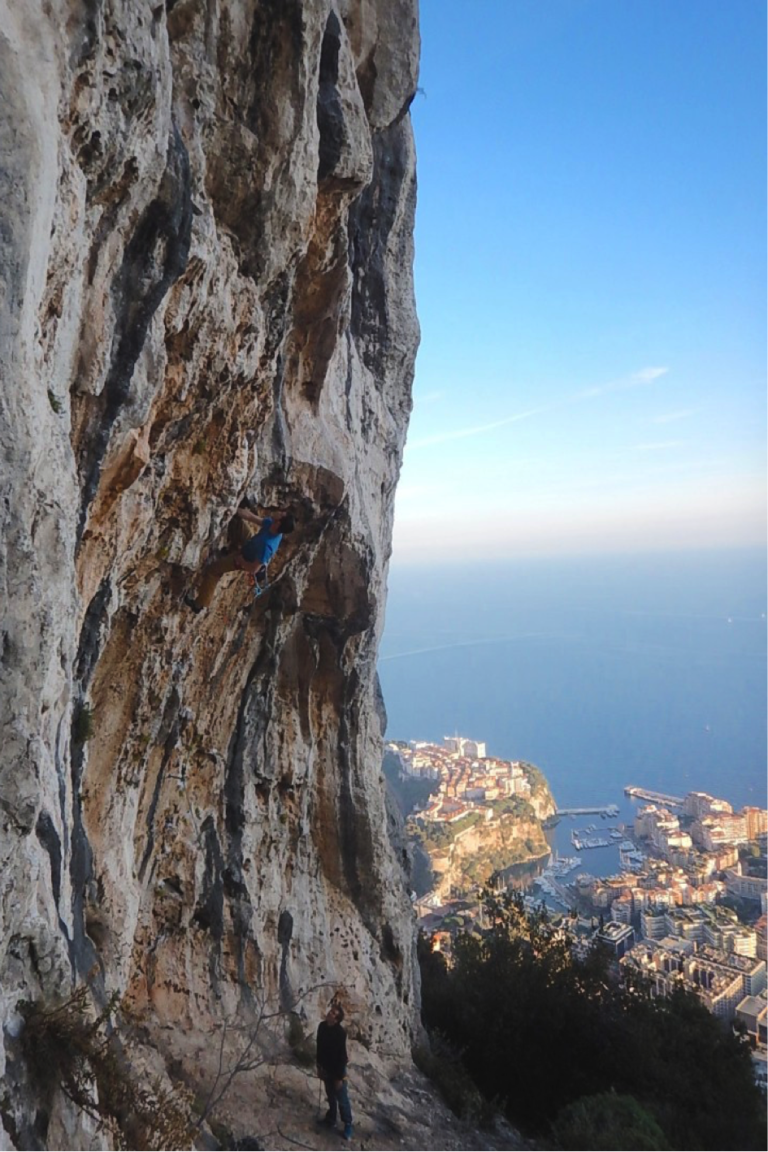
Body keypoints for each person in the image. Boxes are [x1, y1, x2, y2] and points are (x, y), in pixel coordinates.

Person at [184, 505, 295, 612]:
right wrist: (234, 509)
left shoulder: (267, 546)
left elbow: (254, 569)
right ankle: (231, 548)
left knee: (213, 571)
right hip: (251, 545)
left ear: (278, 523)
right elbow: (252, 517)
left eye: (281, 514)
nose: (279, 512)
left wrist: (241, 560)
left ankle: (199, 604)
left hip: (245, 559)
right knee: (237, 522)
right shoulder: (272, 525)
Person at [316, 1002, 353, 1141]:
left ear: (336, 1020)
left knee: (342, 1098)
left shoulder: (340, 1033)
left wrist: (339, 1078)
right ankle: (331, 1118)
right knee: (330, 1095)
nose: (329, 1014)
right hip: (326, 1067)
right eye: (330, 1011)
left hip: (337, 1069)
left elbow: (342, 1057)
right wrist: (318, 1067)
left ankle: (348, 1124)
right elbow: (319, 1047)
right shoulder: (322, 1027)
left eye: (333, 1013)